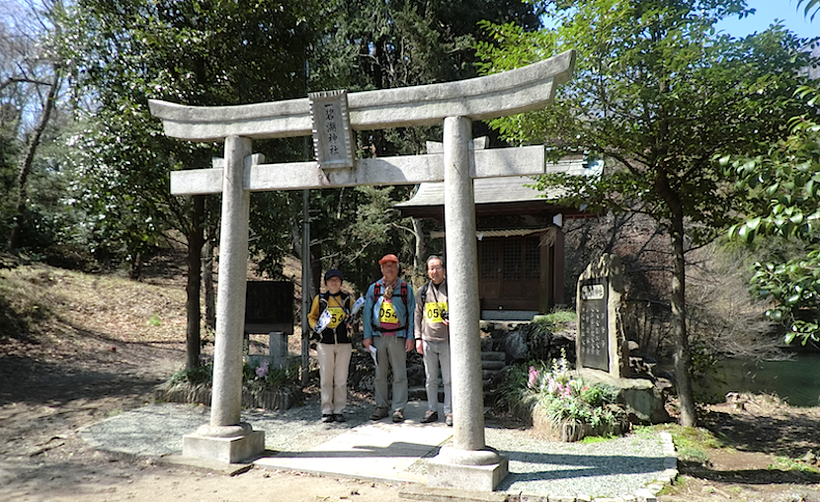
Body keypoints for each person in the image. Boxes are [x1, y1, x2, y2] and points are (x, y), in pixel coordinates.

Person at [363, 254, 415, 423]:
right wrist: (367, 336)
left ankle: (398, 408)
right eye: (386, 266)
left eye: (392, 266)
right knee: (380, 374)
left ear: (397, 268)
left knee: (400, 374)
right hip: (379, 336)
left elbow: (412, 314)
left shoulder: (405, 289)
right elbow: (367, 313)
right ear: (381, 269)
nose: (389, 269)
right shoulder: (374, 288)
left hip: (398, 337)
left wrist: (410, 337)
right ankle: (381, 406)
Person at [308, 269, 354, 423]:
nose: (334, 283)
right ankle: (326, 410)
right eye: (330, 280)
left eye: (337, 280)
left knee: (341, 378)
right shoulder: (320, 299)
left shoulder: (347, 299)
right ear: (326, 283)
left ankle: (339, 410)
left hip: (344, 343)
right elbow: (312, 316)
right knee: (326, 377)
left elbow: (354, 316)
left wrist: (351, 321)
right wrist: (315, 327)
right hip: (324, 343)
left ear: (341, 282)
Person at [414, 255, 453, 426]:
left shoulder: (452, 289)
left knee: (449, 379)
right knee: (430, 378)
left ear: (443, 269)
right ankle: (432, 409)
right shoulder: (422, 292)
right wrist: (417, 338)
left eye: (437, 267)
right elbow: (417, 315)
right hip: (428, 339)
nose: (434, 271)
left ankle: (449, 411)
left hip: (447, 340)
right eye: (431, 268)